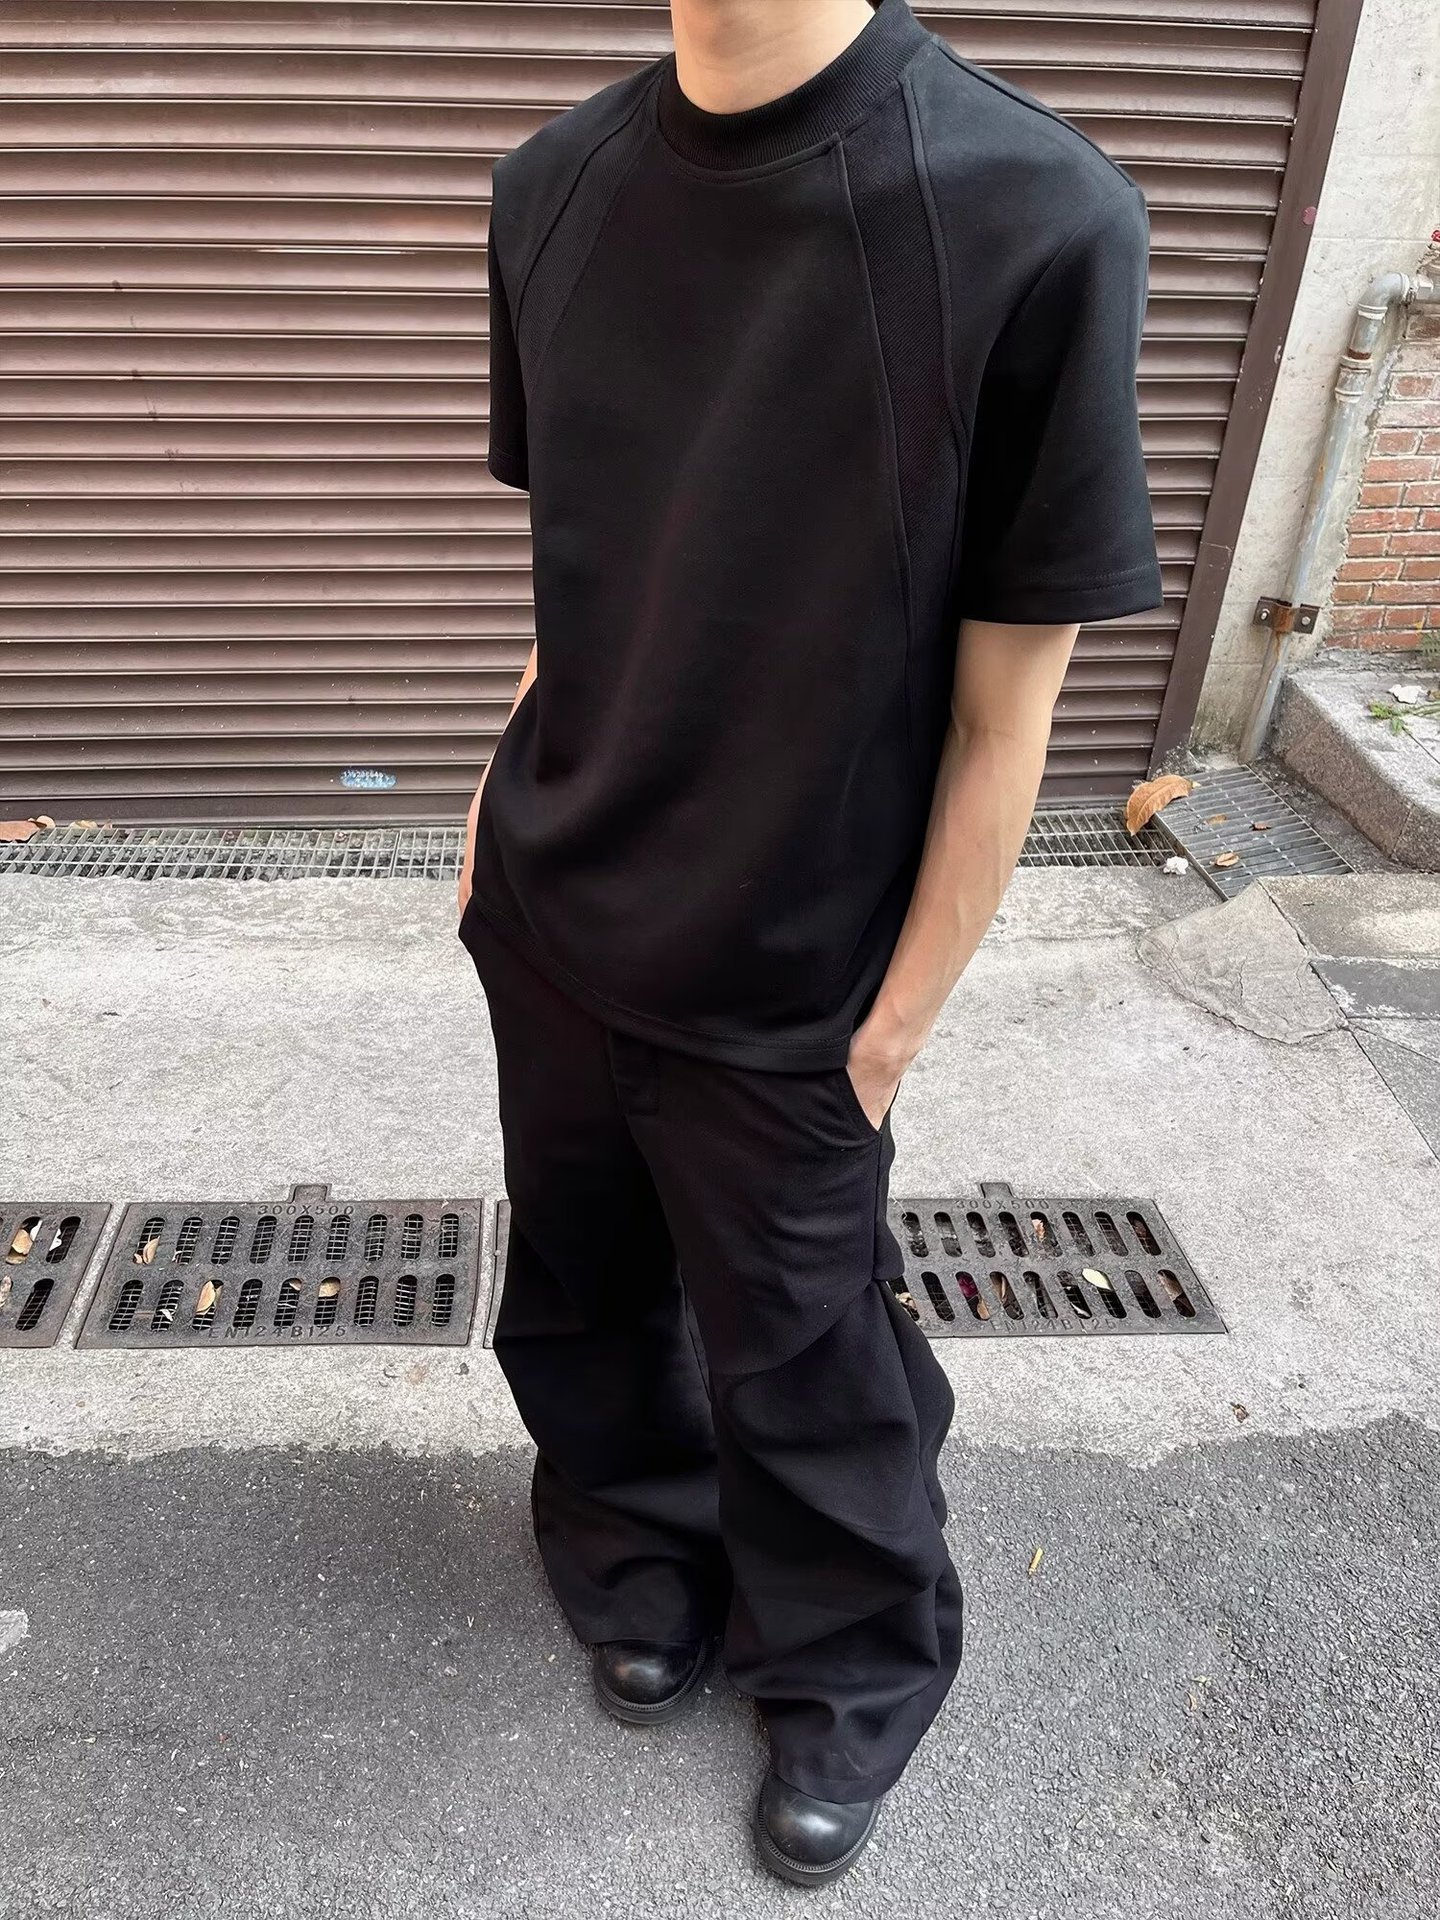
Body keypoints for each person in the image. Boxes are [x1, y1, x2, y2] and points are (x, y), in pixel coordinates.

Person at [458, 0, 1161, 1886]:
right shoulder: (552, 185)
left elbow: (1010, 718)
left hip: (799, 965)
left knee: (805, 1349)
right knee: (584, 1288)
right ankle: (634, 1546)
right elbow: (592, 569)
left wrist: (893, 1026)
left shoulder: (1035, 214)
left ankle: (852, 1667)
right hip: (558, 900)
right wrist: (486, 831)